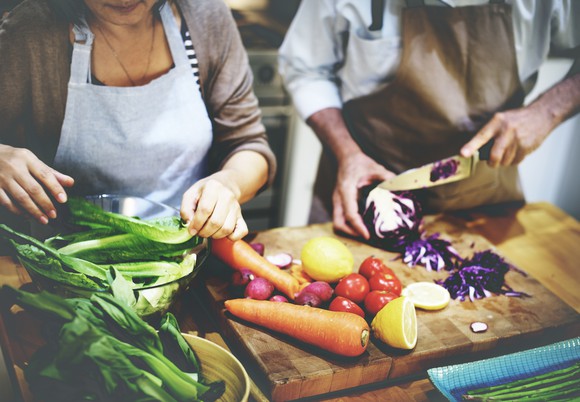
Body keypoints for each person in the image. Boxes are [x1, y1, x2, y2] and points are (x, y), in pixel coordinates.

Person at [278, 0, 580, 240]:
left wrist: (547, 111)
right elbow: (305, 69)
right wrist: (347, 152)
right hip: (362, 194)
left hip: (482, 201)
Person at [0, 0, 277, 241]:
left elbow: (249, 145)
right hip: (66, 267)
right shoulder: (31, 31)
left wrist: (229, 182)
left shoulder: (205, 18)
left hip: (186, 259)